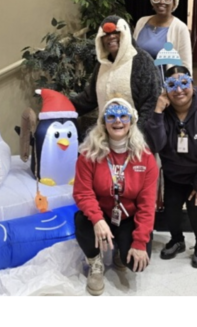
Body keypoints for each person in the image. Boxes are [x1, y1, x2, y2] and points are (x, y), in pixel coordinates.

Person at [73, 98, 158, 296]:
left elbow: (147, 205)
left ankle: (121, 249)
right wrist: (97, 219)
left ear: (131, 121)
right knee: (81, 220)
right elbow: (82, 192)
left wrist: (139, 242)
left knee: (136, 264)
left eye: (123, 116)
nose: (117, 121)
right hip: (101, 215)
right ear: (103, 122)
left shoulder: (145, 157)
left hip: (128, 217)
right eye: (111, 116)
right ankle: (95, 263)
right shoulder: (88, 154)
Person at [146, 65, 197, 269]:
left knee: (195, 206)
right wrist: (157, 112)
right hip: (175, 174)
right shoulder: (163, 114)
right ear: (165, 89)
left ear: (192, 83)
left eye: (184, 82)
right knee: (171, 208)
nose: (179, 89)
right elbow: (155, 146)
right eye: (172, 85)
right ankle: (177, 240)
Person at [70, 15, 162, 145]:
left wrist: (137, 135)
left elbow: (151, 102)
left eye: (116, 32)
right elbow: (89, 99)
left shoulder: (142, 61)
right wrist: (61, 105)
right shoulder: (102, 64)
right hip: (106, 140)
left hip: (136, 142)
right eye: (106, 34)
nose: (111, 37)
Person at [133, 0, 193, 73]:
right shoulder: (141, 22)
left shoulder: (180, 28)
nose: (161, 2)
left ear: (174, 3)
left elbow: (186, 64)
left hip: (165, 86)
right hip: (139, 84)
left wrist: (183, 85)